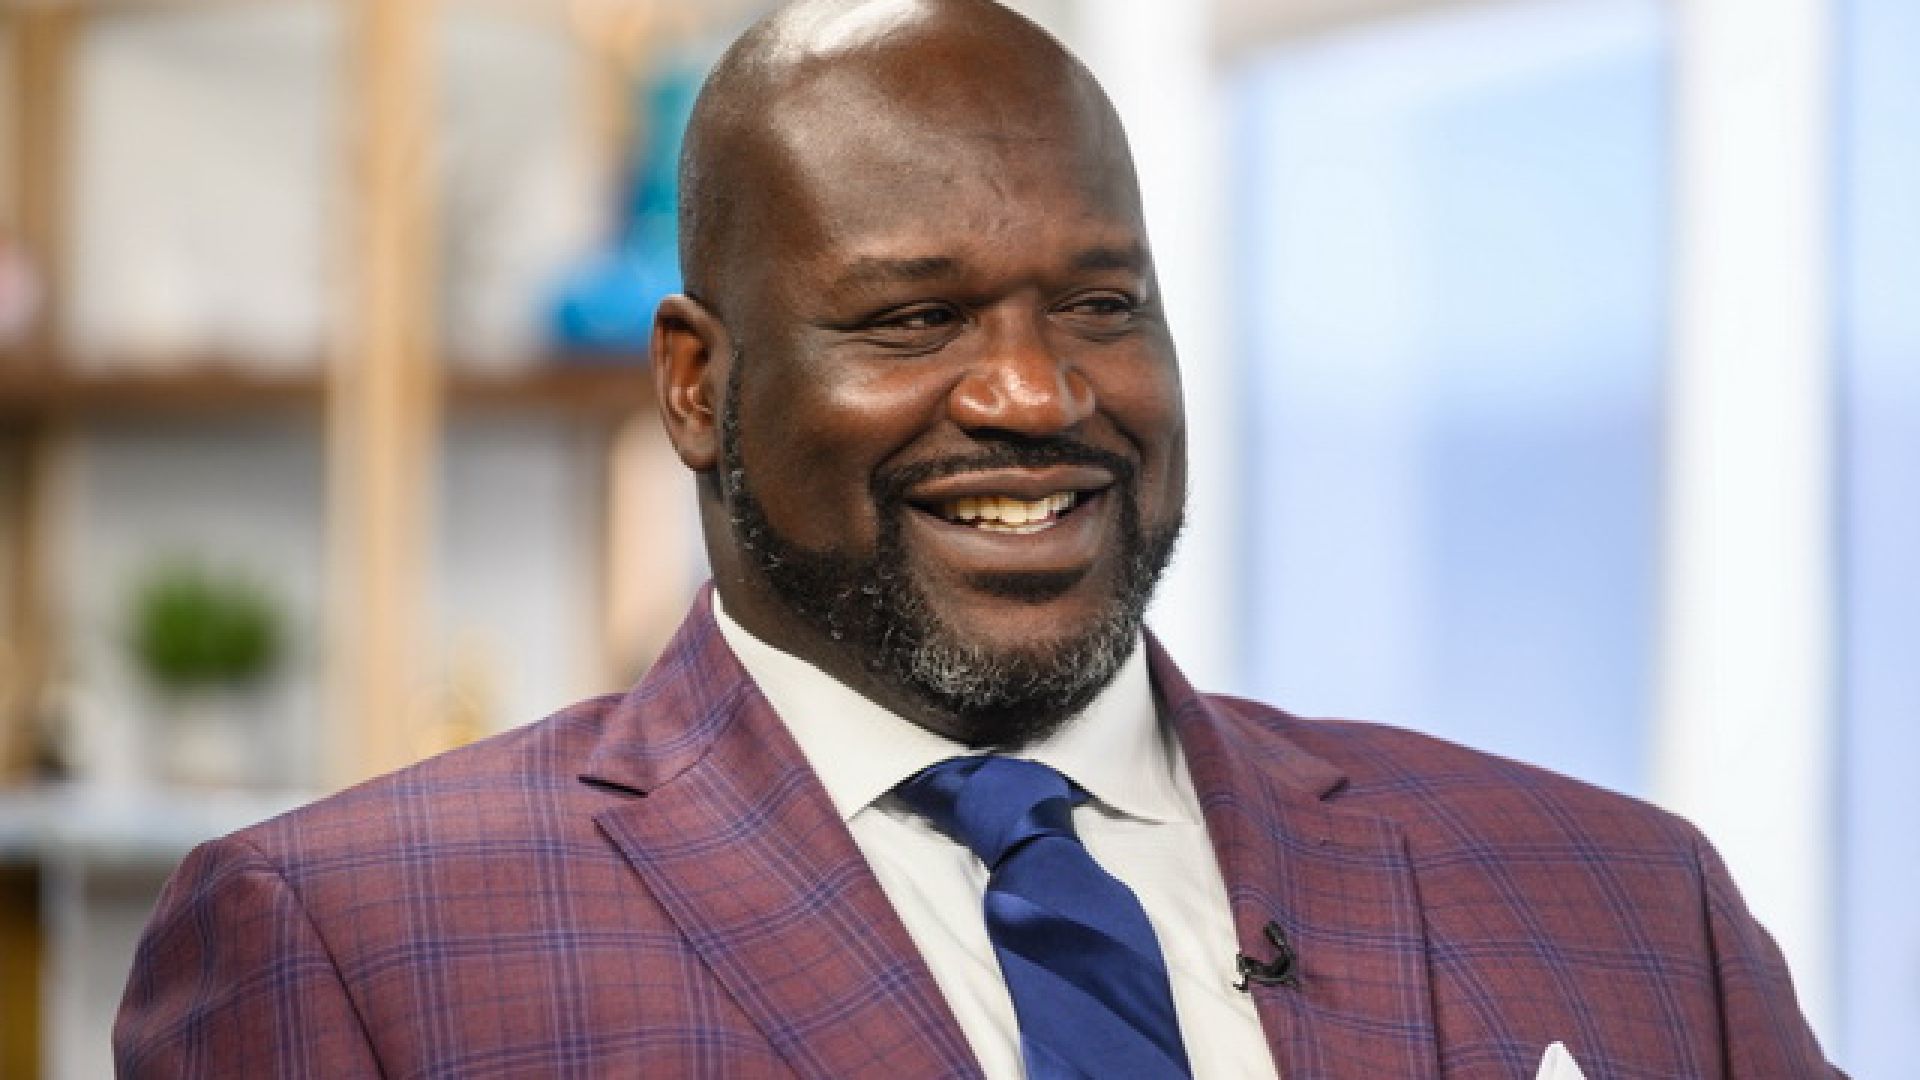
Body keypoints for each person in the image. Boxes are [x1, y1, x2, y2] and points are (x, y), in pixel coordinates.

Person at [116, 1, 1840, 1076]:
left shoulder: (1631, 903)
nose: (1035, 393)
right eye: (914, 318)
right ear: (699, 387)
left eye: (1100, 303)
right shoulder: (349, 949)